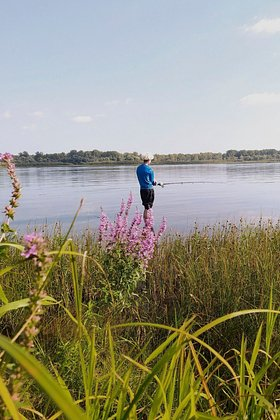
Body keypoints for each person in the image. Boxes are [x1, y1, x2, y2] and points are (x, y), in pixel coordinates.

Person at [136, 153, 157, 224]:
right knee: (149, 207)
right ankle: (148, 224)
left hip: (142, 190)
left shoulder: (138, 168)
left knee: (146, 207)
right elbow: (153, 182)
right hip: (149, 190)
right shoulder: (150, 170)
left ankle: (146, 224)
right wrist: (158, 183)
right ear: (149, 160)